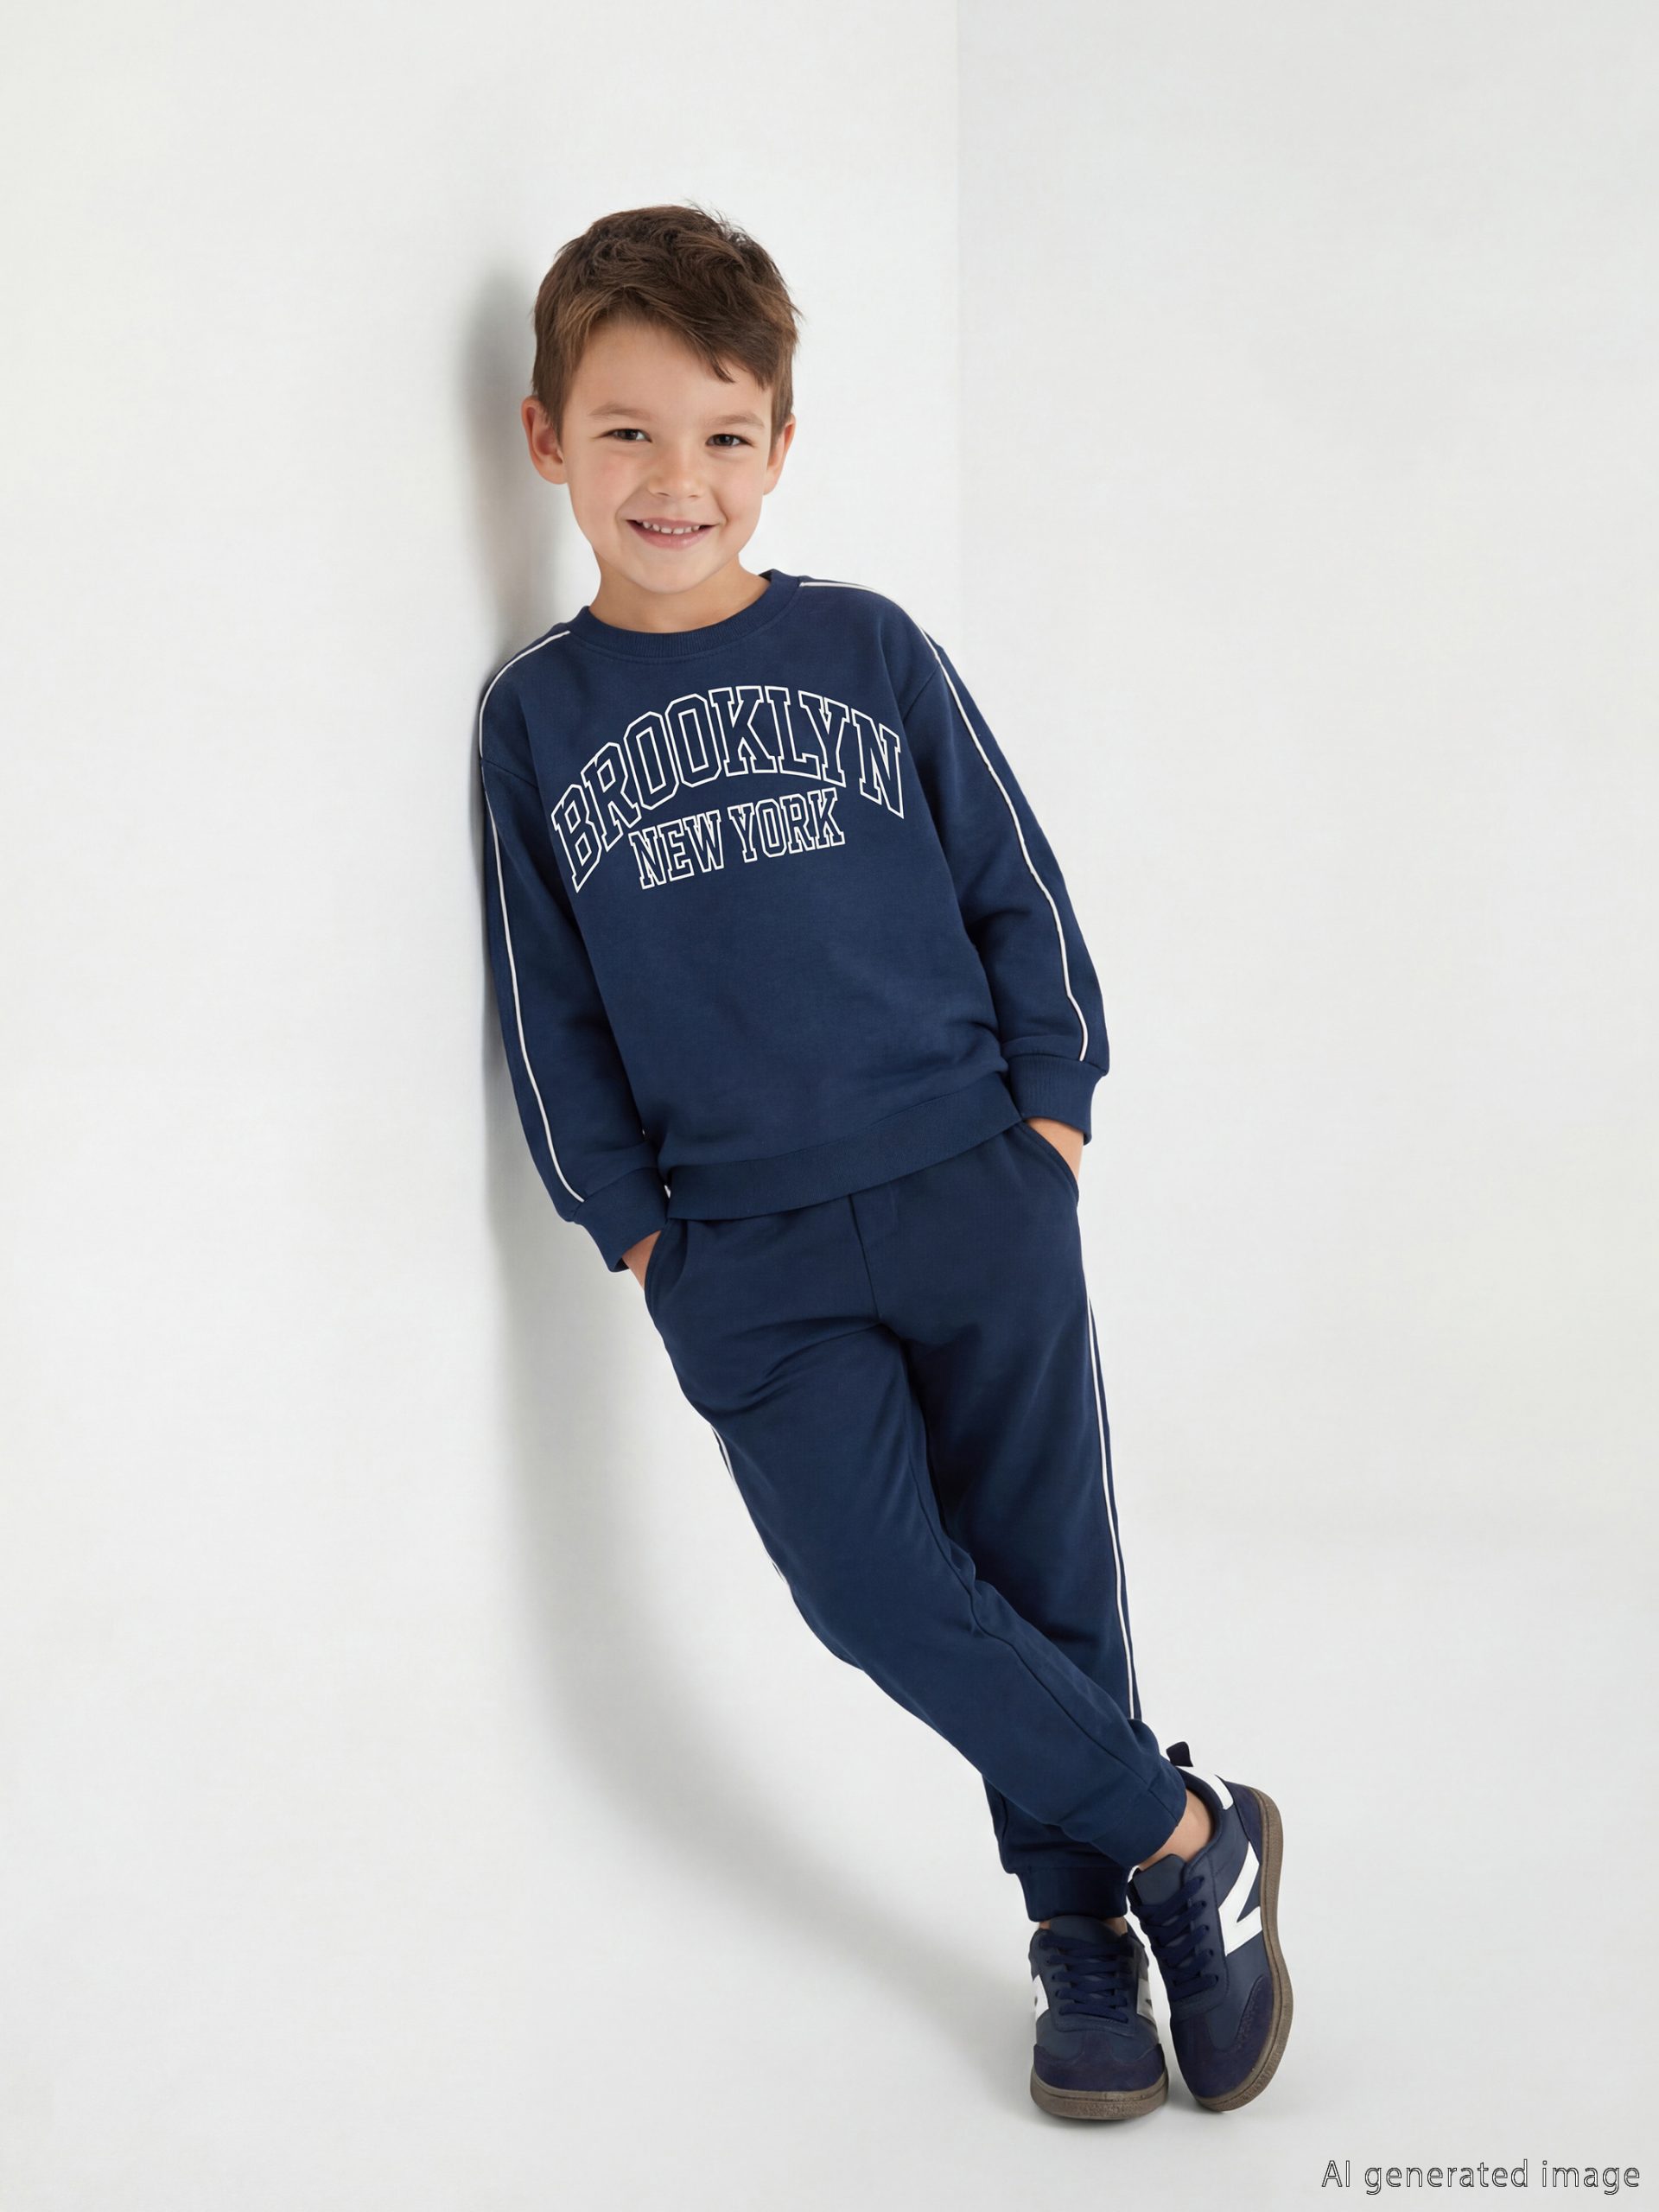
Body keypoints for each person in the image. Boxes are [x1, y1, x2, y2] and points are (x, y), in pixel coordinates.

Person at [475, 201, 1292, 2121]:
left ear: (781, 445)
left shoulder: (866, 647)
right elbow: (546, 1002)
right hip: (741, 1251)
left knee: (1042, 1570)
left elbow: (1017, 888)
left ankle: (1083, 1939)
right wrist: (638, 1235)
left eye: (722, 435)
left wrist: (1050, 1120)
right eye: (626, 432)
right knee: (871, 1587)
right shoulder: (537, 717)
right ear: (545, 440)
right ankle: (1192, 1840)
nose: (675, 480)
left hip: (969, 1181)